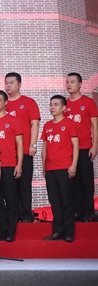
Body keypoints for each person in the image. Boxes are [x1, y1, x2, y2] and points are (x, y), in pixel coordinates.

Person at [41, 95, 79, 242]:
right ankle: (58, 231)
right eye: (51, 104)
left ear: (64, 107)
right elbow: (44, 147)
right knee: (54, 201)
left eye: (56, 104)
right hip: (50, 169)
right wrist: (44, 166)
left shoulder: (69, 124)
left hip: (64, 167)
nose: (52, 107)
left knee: (66, 200)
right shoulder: (47, 125)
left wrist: (73, 164)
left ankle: (69, 232)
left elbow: (75, 145)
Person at [4, 72, 40, 222]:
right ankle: (13, 216)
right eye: (6, 83)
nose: (8, 85)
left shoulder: (28, 102)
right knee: (9, 187)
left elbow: (35, 124)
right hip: (7, 154)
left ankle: (25, 215)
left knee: (24, 184)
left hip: (24, 151)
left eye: (12, 83)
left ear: (19, 84)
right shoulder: (3, 104)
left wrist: (33, 144)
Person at [0, 91, 23, 242]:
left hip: (9, 164)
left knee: (10, 199)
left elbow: (19, 144)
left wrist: (19, 164)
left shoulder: (13, 121)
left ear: (6, 102)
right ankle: (0, 232)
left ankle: (10, 231)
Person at [65, 72, 98, 222]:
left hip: (85, 147)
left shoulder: (88, 102)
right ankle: (76, 212)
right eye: (67, 82)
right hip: (69, 150)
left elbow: (95, 126)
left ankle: (88, 213)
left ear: (80, 84)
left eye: (72, 82)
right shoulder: (64, 104)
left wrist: (94, 146)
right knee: (73, 182)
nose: (69, 84)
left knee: (86, 181)